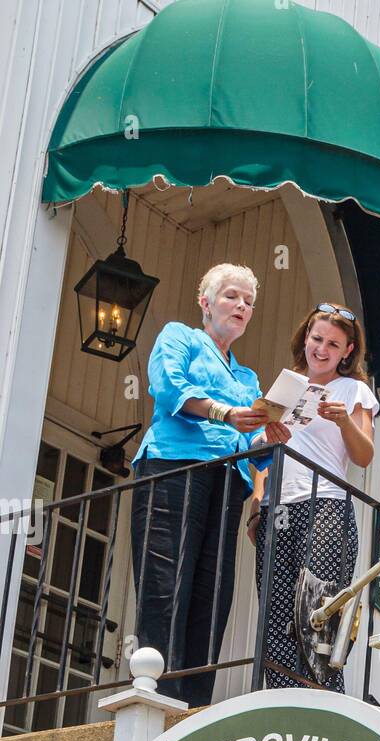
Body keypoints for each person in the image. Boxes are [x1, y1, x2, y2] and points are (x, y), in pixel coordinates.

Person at [129, 264, 290, 706]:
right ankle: (154, 692)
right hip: (174, 468)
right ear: (207, 302)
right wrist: (225, 414)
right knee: (166, 580)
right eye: (232, 296)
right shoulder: (179, 336)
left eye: (249, 302)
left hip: (227, 484)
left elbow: (251, 445)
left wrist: (270, 435)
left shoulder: (248, 379)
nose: (242, 306)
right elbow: (167, 387)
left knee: (211, 594)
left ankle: (193, 705)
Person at [248, 302, 378, 691]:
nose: (321, 349)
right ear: (306, 336)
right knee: (275, 611)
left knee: (317, 609)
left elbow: (364, 455)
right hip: (277, 508)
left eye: (333, 344)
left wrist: (342, 421)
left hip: (326, 507)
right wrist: (257, 506)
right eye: (317, 338)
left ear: (348, 352)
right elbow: (261, 455)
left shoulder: (353, 389)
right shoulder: (286, 386)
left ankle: (322, 698)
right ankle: (283, 696)